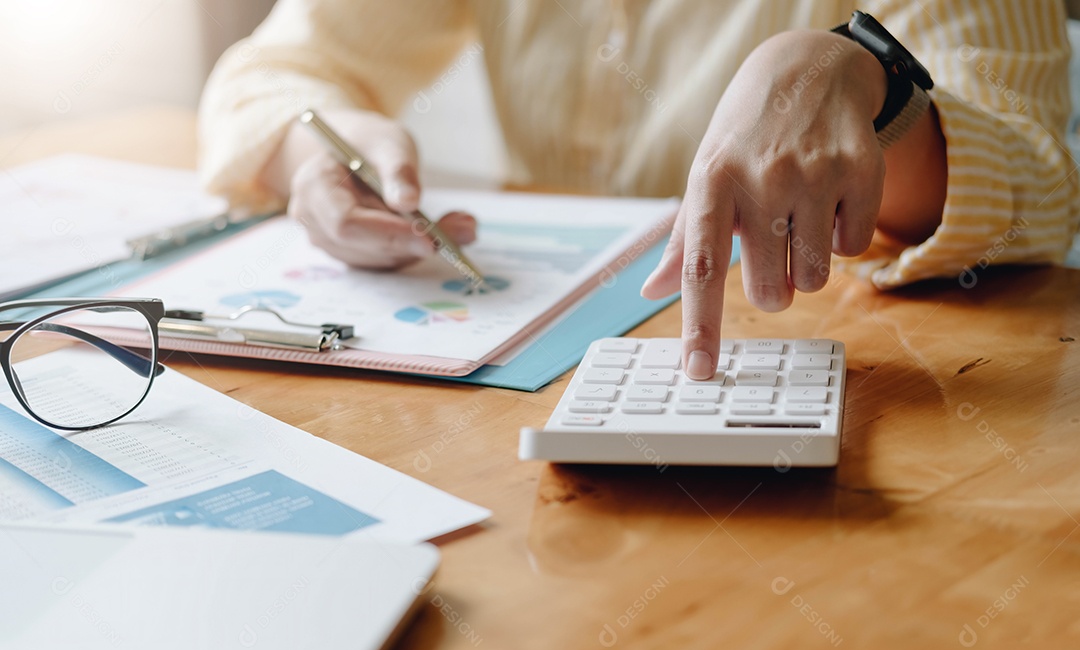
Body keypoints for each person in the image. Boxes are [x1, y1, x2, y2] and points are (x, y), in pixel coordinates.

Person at [198, 0, 1078, 380]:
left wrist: (864, 76)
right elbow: (280, 68)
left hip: (868, 372)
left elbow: (1038, 180)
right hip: (540, 394)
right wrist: (313, 151)